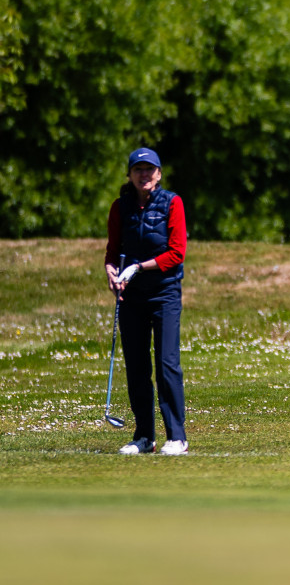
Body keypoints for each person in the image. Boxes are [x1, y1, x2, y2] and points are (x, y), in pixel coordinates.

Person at [103, 147, 189, 455]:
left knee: (167, 364)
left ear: (159, 174)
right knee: (137, 366)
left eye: (149, 169)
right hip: (131, 296)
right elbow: (113, 251)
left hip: (164, 292)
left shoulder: (172, 203)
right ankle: (144, 437)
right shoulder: (120, 207)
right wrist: (112, 273)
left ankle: (177, 436)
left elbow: (176, 253)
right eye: (138, 169)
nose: (144, 174)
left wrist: (138, 267)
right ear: (129, 175)